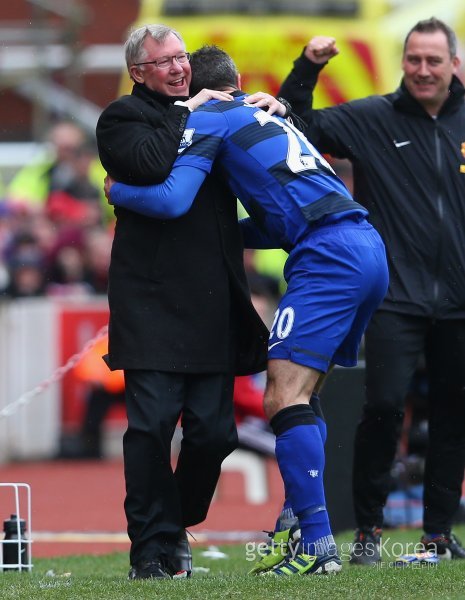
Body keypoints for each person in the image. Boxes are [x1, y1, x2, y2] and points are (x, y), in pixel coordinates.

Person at [104, 44, 389, 577]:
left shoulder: (209, 115)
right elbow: (272, 218)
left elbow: (169, 200)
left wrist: (117, 189)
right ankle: (304, 523)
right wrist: (215, 239)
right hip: (366, 244)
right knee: (306, 394)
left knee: (282, 395)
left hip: (325, 255)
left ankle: (316, 547)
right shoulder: (267, 114)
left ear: (197, 90)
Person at [278, 17, 465, 563]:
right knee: (383, 408)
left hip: (459, 302)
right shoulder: (372, 117)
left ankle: (438, 534)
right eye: (414, 59)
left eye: (434, 60)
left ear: (453, 64)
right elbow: (300, 123)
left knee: (454, 415)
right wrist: (307, 66)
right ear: (402, 63)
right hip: (396, 299)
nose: (423, 70)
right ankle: (368, 534)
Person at [95, 25, 274, 580]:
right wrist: (190, 112)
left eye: (181, 58)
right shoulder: (120, 120)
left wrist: (280, 102)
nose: (178, 69)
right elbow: (149, 165)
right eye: (165, 62)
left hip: (214, 302)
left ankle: (175, 523)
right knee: (149, 429)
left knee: (215, 433)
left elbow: (271, 130)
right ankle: (149, 550)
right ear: (138, 73)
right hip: (150, 303)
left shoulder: (209, 110)